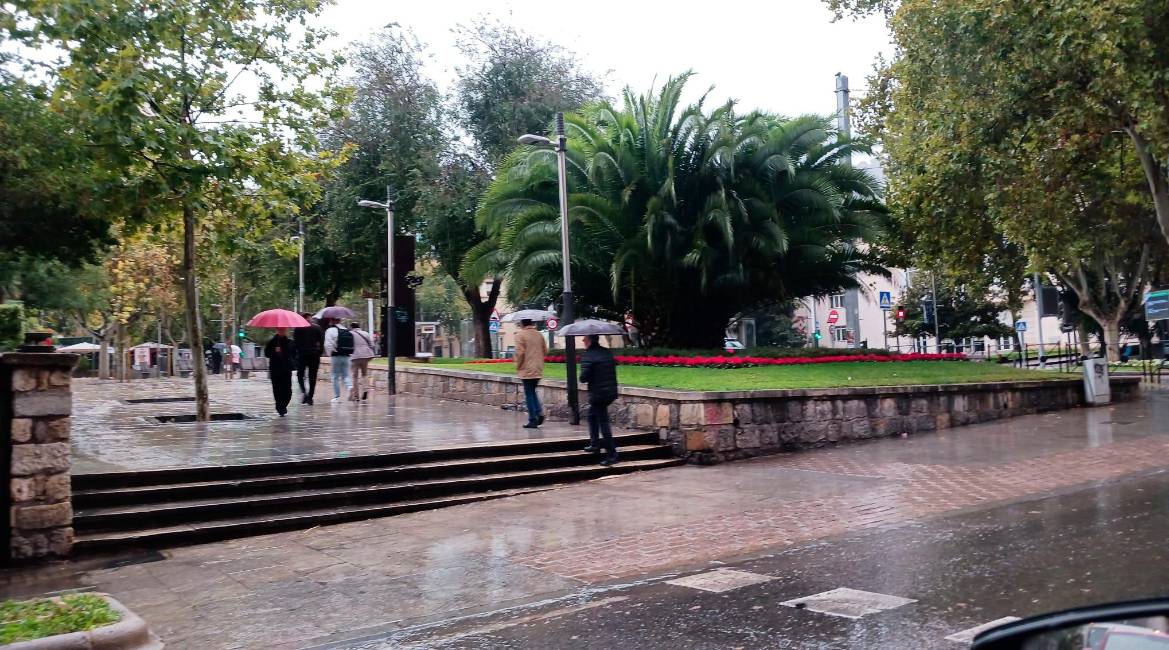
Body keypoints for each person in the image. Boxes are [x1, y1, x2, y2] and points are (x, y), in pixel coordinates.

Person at [580, 334, 620, 466]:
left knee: (603, 423)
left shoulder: (588, 355)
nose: (583, 340)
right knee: (592, 416)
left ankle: (612, 454)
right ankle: (595, 444)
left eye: (585, 339)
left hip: (598, 394)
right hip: (610, 391)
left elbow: (583, 378)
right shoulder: (606, 352)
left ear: (590, 340)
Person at [514, 318, 547, 429]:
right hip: (538, 368)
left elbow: (520, 353)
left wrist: (518, 366)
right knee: (532, 391)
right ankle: (539, 412)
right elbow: (545, 350)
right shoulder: (539, 334)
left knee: (529, 393)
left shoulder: (520, 335)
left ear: (522, 323)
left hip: (526, 369)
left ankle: (533, 419)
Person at [264, 327, 295, 416]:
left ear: (286, 330)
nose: (281, 331)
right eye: (280, 329)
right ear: (277, 330)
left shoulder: (290, 342)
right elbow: (267, 353)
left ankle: (283, 405)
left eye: (283, 329)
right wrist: (274, 351)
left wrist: (293, 363)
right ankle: (280, 407)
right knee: (277, 389)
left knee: (288, 391)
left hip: (286, 370)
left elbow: (294, 354)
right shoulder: (272, 342)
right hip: (275, 369)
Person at [294, 314, 324, 405]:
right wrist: (319, 353)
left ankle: (304, 392)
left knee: (300, 375)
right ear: (310, 318)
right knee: (312, 377)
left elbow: (295, 343)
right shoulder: (317, 328)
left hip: (302, 355)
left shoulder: (298, 328)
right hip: (314, 355)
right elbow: (322, 342)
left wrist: (297, 353)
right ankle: (310, 397)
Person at [323, 318, 354, 403]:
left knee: (335, 376)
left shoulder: (330, 330)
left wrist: (330, 353)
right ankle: (350, 387)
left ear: (332, 321)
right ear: (339, 321)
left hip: (336, 356)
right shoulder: (346, 330)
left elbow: (328, 344)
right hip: (347, 356)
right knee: (346, 375)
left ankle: (336, 397)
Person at [348, 321, 375, 401]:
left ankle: (356, 395)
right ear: (359, 326)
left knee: (355, 376)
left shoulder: (350, 334)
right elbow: (372, 344)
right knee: (364, 374)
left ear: (351, 327)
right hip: (365, 355)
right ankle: (365, 389)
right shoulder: (365, 333)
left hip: (355, 356)